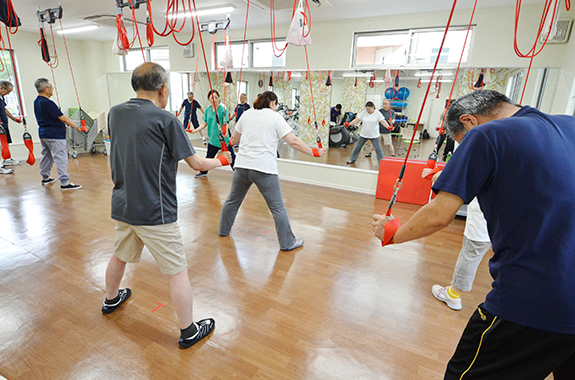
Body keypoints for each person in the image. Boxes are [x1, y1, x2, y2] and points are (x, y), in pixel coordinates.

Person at [372, 90, 575, 379]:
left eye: (460, 144)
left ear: (469, 120)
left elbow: (440, 215)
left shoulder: (487, 134)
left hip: (535, 301)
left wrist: (392, 233)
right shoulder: (568, 125)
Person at [102, 62, 232, 349]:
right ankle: (188, 331)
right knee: (177, 271)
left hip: (123, 203)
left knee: (119, 255)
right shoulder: (166, 120)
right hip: (155, 210)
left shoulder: (115, 113)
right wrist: (224, 159)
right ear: (163, 88)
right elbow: (197, 163)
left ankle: (110, 300)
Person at [219, 91, 326, 251]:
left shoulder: (247, 114)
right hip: (263, 168)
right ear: (273, 103)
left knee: (232, 201)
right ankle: (288, 243)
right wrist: (313, 152)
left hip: (242, 166)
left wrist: (228, 139)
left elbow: (233, 140)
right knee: (277, 207)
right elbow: (293, 141)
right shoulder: (275, 117)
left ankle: (223, 230)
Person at [422, 168, 491, 311]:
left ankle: (453, 295)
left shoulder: (486, 147)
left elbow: (469, 169)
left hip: (485, 214)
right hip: (511, 216)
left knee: (471, 253)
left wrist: (442, 175)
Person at [33, 78, 83, 190]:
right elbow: (63, 118)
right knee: (61, 157)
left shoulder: (37, 101)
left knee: (47, 155)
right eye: (51, 87)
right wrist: (78, 127)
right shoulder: (48, 103)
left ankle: (45, 177)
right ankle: (65, 183)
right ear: (45, 89)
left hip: (44, 134)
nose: (52, 90)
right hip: (55, 135)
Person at [189, 89, 236, 178]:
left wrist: (225, 132)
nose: (214, 99)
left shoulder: (223, 109)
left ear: (219, 99)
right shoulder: (208, 110)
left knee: (232, 157)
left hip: (224, 140)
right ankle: (203, 172)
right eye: (212, 97)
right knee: (209, 157)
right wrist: (194, 131)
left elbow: (226, 122)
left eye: (216, 97)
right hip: (213, 139)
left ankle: (238, 174)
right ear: (209, 99)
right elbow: (204, 123)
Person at [345, 101, 389, 166]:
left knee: (378, 149)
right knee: (357, 147)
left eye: (369, 109)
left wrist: (388, 127)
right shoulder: (364, 113)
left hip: (374, 135)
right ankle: (352, 159)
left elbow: (383, 121)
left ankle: (381, 163)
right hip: (364, 134)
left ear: (373, 107)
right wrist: (349, 123)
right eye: (367, 109)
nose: (368, 110)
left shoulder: (377, 113)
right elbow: (357, 120)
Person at [0, 80, 23, 166]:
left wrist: (14, 119)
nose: (8, 94)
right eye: (8, 91)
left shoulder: (2, 97)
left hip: (4, 123)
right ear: (1, 87)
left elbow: (4, 109)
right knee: (1, 143)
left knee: (5, 142)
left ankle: (7, 159)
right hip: (0, 124)